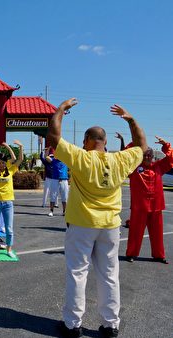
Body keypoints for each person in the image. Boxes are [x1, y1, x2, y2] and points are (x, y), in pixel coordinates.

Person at [47, 98, 146, 338]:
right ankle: (111, 324)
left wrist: (61, 109)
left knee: (77, 273)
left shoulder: (81, 157)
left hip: (82, 224)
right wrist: (131, 119)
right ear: (105, 142)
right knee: (110, 275)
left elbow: (53, 137)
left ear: (90, 141)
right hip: (110, 226)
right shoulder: (121, 159)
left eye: (84, 140)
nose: (82, 143)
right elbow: (142, 146)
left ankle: (72, 325)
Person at [126, 136, 172, 264]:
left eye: (150, 155)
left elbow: (170, 159)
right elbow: (125, 154)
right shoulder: (133, 168)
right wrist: (137, 142)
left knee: (157, 233)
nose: (148, 157)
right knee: (135, 232)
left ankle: (159, 255)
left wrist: (166, 146)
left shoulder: (158, 166)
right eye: (145, 155)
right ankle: (131, 254)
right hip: (139, 207)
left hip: (156, 206)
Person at [44, 148, 69, 217]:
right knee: (53, 196)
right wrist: (48, 149)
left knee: (65, 197)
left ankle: (65, 211)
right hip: (55, 180)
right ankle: (51, 211)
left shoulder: (66, 161)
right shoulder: (53, 161)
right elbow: (46, 157)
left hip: (64, 180)